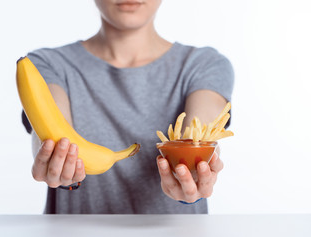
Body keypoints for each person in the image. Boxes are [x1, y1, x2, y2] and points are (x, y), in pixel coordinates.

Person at [22, 0, 234, 214]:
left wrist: (195, 174)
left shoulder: (205, 65)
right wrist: (53, 161)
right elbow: (48, 125)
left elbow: (200, 129)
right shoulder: (45, 64)